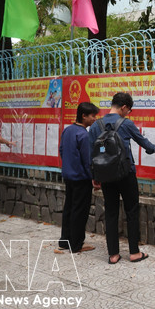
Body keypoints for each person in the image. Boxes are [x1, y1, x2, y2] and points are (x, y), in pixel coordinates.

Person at [88, 92, 155, 264]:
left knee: (110, 212)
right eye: (128, 110)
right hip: (126, 173)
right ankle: (134, 252)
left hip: (106, 175)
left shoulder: (96, 125)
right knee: (132, 211)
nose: (128, 113)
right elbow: (142, 141)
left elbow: (91, 153)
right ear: (123, 107)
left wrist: (94, 176)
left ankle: (113, 255)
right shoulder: (126, 124)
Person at [56, 102, 100, 254]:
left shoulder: (68, 130)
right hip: (81, 178)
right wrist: (94, 178)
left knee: (69, 208)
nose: (94, 119)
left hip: (68, 176)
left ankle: (65, 240)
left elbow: (61, 150)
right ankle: (76, 244)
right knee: (80, 212)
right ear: (84, 116)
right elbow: (88, 160)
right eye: (92, 116)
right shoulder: (83, 135)